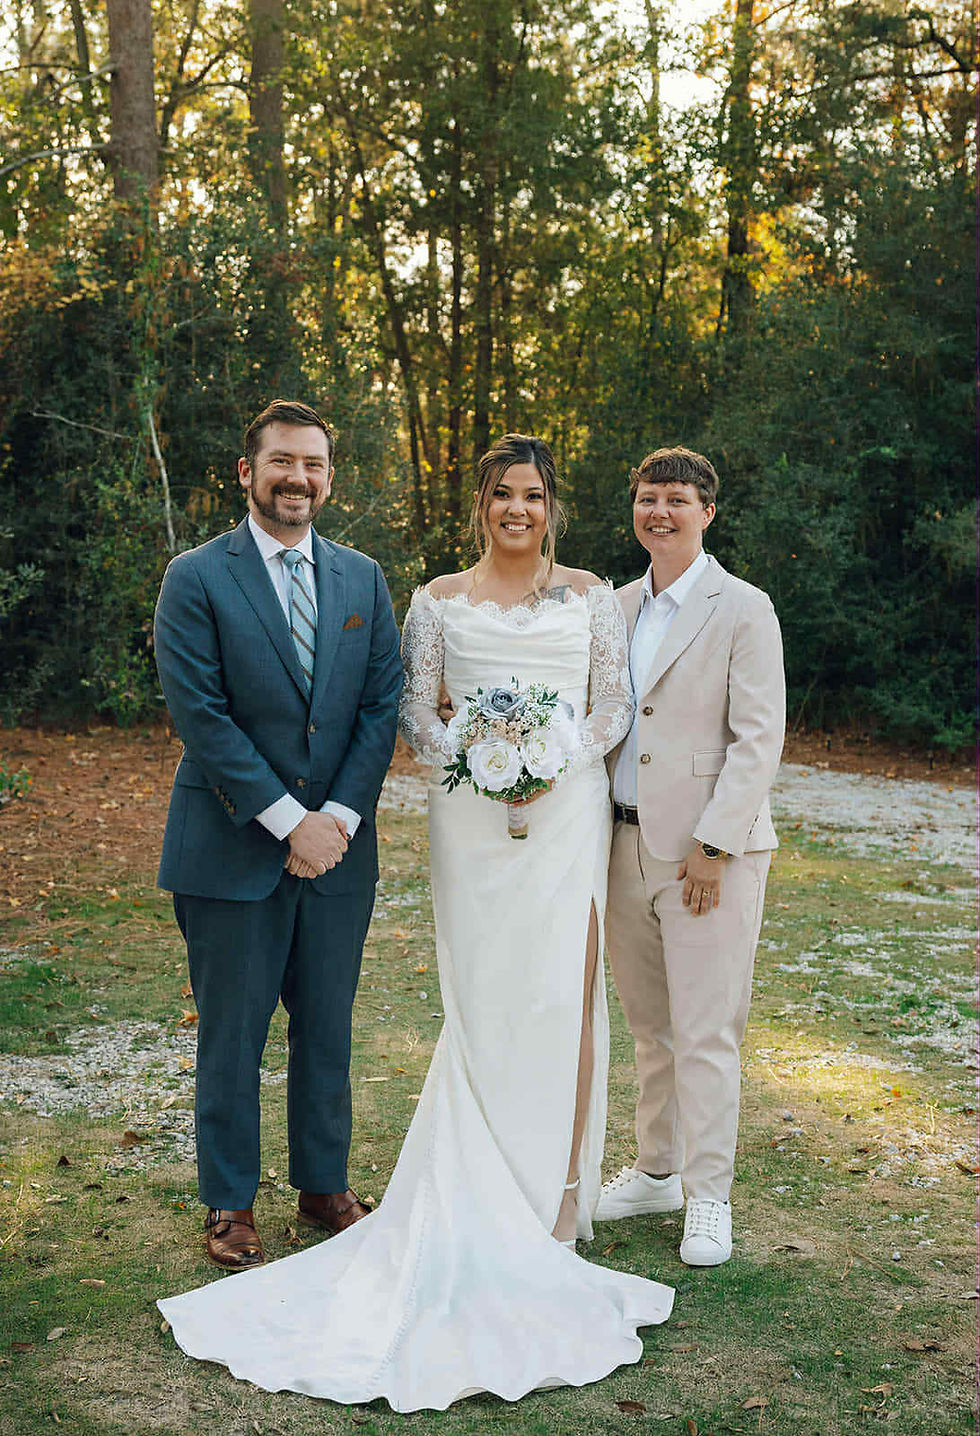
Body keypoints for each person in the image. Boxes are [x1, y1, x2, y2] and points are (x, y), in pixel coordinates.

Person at [158, 433, 672, 1412]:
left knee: (550, 994)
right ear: (477, 503)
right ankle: (244, 1202)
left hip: (560, 816)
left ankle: (544, 1202)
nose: (515, 507)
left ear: (550, 502)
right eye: (498, 493)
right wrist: (483, 763)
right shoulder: (429, 596)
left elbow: (610, 709)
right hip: (468, 817)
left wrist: (547, 761)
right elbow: (410, 711)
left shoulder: (593, 595)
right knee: (473, 1001)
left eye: (530, 494)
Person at [153, 399, 403, 1269]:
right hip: (228, 850)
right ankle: (229, 1201)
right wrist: (287, 821)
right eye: (282, 462)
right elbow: (203, 716)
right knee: (233, 1033)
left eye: (314, 465)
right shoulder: (195, 577)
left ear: (331, 477)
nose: (298, 478)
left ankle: (323, 1184)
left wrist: (333, 819)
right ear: (246, 471)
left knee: (328, 1025)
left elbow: (380, 707)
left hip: (339, 850)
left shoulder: (362, 579)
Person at [596, 446, 785, 1267]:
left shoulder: (743, 607)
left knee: (707, 1029)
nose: (659, 512)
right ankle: (657, 1170)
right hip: (620, 842)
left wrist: (715, 845)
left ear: (708, 512)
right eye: (648, 499)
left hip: (708, 855)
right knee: (650, 1025)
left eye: (676, 499)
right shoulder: (612, 605)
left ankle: (708, 1198)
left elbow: (758, 738)